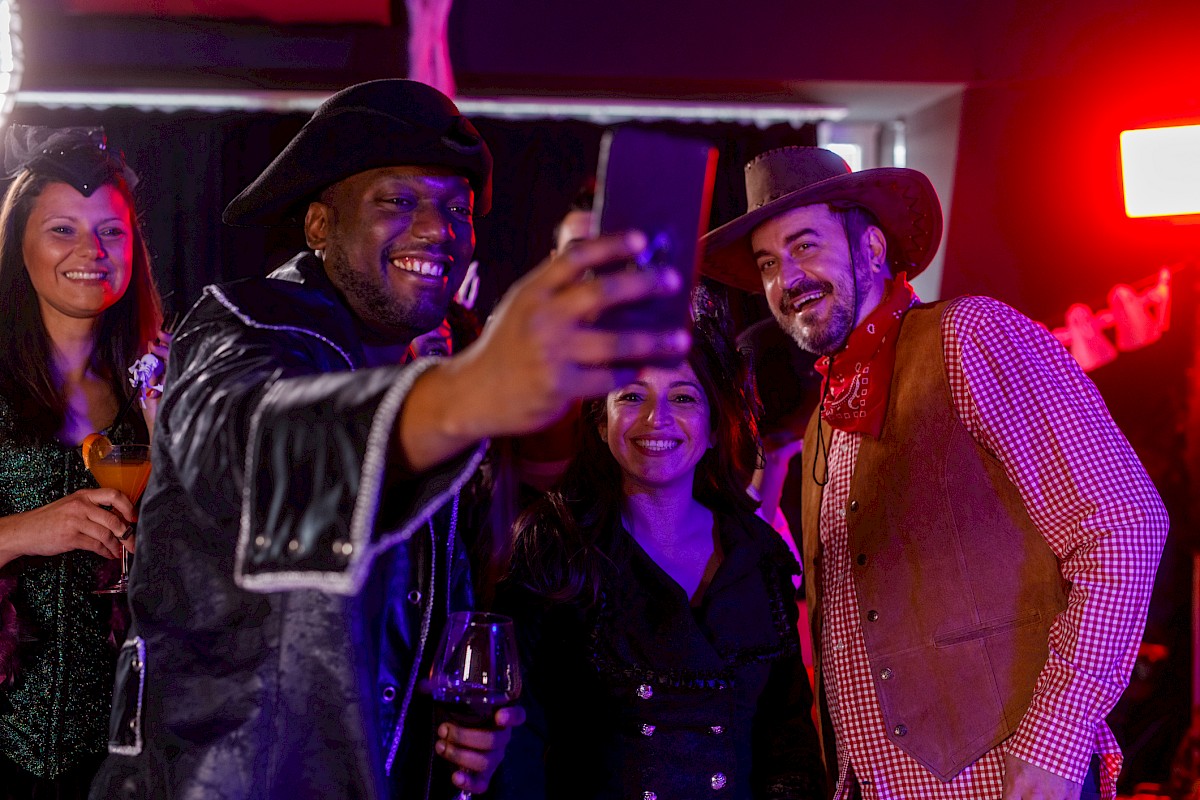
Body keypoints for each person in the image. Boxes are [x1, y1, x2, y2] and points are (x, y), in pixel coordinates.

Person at [88, 79, 689, 800]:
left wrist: (464, 726)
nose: (439, 228)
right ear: (318, 226)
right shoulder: (242, 327)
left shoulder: (417, 377)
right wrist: (477, 388)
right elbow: (251, 453)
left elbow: (415, 628)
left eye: (457, 208)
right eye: (398, 201)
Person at [701, 145, 1170, 800]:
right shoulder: (820, 424)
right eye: (769, 264)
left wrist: (1056, 742)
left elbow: (1124, 524)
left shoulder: (970, 336)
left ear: (870, 246)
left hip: (1005, 784)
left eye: (805, 247)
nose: (788, 279)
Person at [494, 289, 826, 800]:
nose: (657, 418)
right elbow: (516, 750)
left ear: (715, 426)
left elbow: (790, 748)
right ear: (600, 421)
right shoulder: (554, 547)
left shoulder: (759, 557)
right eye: (631, 395)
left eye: (684, 397)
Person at [0, 126, 167, 798]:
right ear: (19, 245)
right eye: (63, 229)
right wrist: (25, 532)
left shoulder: (158, 386)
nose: (91, 252)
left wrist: (180, 448)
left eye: (112, 233)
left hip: (128, 759)